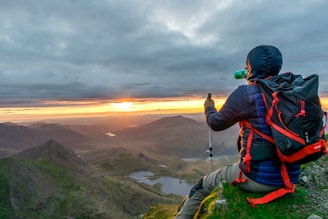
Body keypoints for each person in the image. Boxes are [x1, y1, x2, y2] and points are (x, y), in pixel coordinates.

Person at [175, 45, 301, 219]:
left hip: (259, 179)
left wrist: (209, 108)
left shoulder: (246, 94)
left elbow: (216, 123)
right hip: (292, 174)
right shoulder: (293, 92)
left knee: (200, 186)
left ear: (250, 67)